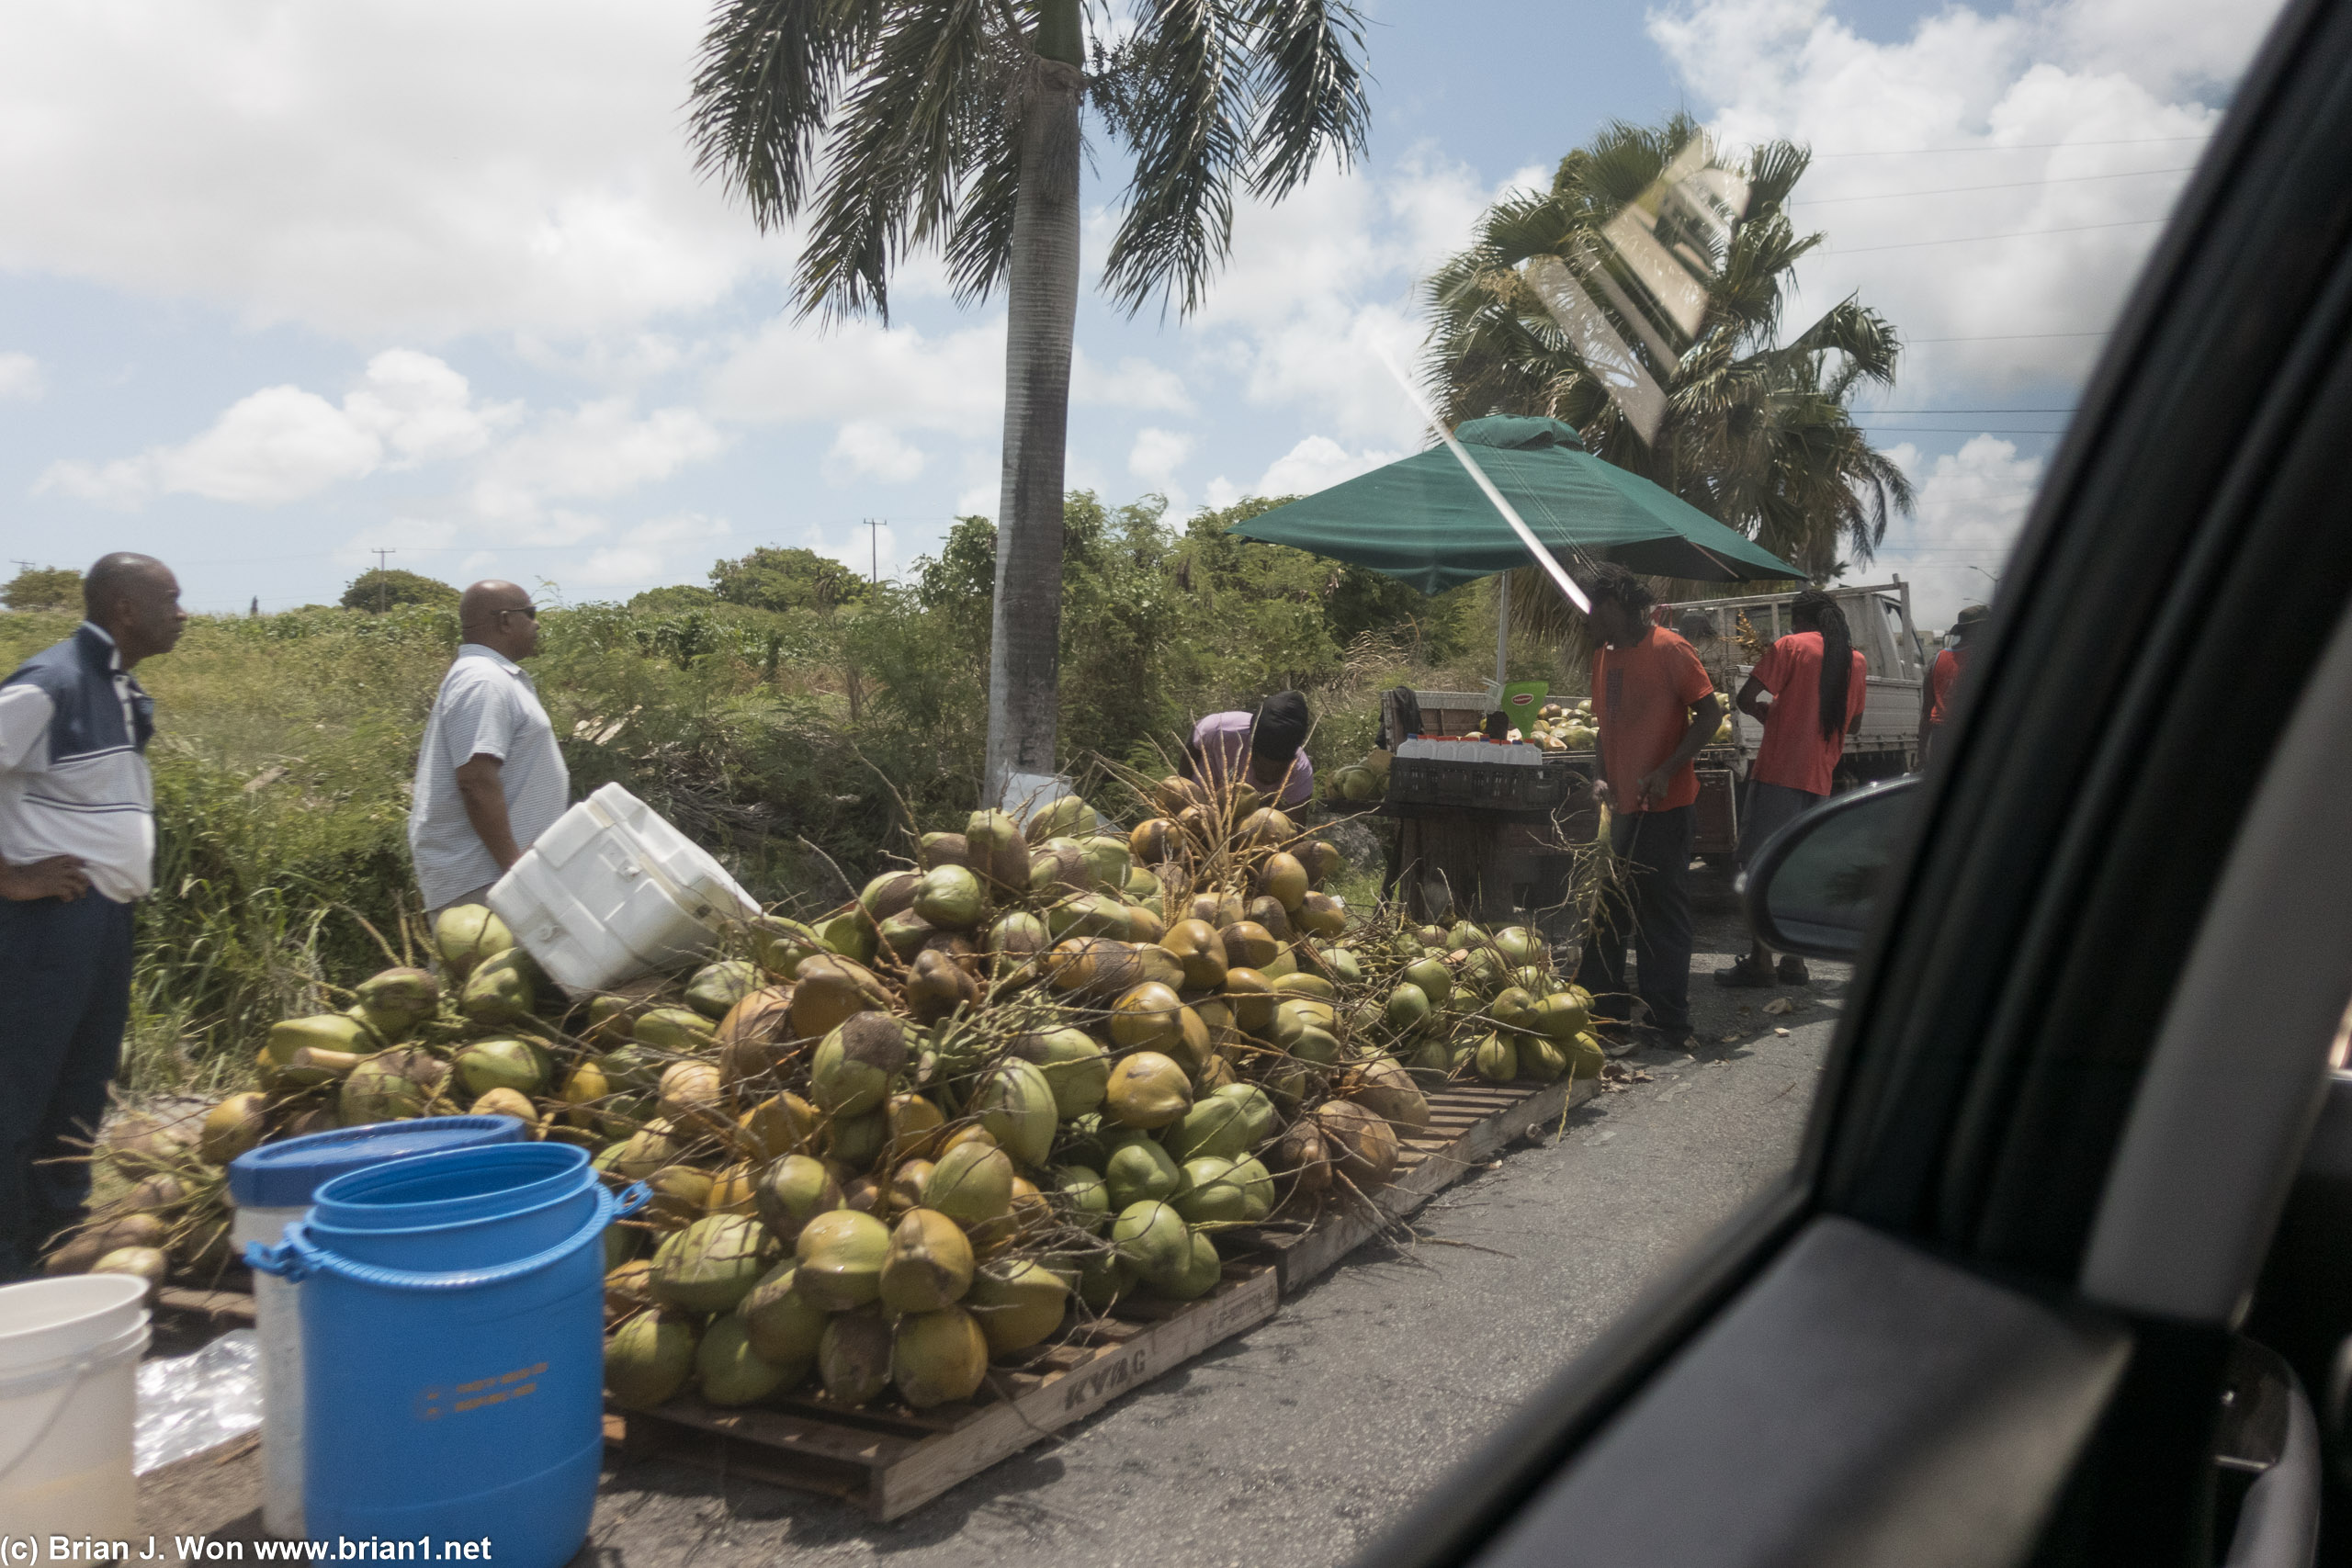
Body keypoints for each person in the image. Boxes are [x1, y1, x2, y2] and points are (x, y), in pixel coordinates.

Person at [0, 553, 187, 1280]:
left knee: (80, 1082)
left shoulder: (119, 688)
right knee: (22, 1084)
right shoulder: (51, 684)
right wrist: (12, 877)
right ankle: (8, 1253)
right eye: (169, 598)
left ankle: (58, 1227)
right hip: (47, 926)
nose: (183, 611)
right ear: (123, 607)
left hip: (101, 921)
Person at [1573, 565, 1724, 1052]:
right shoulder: (1602, 657)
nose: (1587, 620)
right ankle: (1607, 1017)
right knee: (1606, 915)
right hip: (1619, 811)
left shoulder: (1671, 649)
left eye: (1592, 609)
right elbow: (1604, 729)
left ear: (1614, 606)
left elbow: (1711, 715)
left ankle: (1670, 1023)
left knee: (1660, 916)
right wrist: (1599, 774)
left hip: (1665, 808)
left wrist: (1666, 771)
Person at [1716, 589, 1868, 989]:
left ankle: (1761, 962)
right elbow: (1853, 726)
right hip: (1820, 776)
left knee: (1761, 865)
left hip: (1779, 773)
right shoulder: (1855, 659)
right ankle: (1795, 961)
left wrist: (1769, 713)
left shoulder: (1791, 646)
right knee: (1800, 867)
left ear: (1799, 620)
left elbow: (1746, 697)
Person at [409, 581, 570, 916]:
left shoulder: (493, 677)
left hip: (497, 879)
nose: (537, 623)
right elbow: (476, 781)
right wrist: (514, 866)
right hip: (487, 882)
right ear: (505, 621)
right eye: (531, 613)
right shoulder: (484, 681)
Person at [1182, 691, 1314, 808]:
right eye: (1262, 770)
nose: (1268, 777)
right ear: (1251, 750)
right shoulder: (1220, 730)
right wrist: (1184, 787)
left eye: (1276, 775)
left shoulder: (1300, 771)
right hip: (1202, 805)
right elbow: (1195, 737)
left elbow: (1296, 828)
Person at [1917, 602, 1989, 764]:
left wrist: (1921, 751)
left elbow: (1926, 710)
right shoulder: (1985, 658)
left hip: (1941, 737)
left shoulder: (1937, 659)